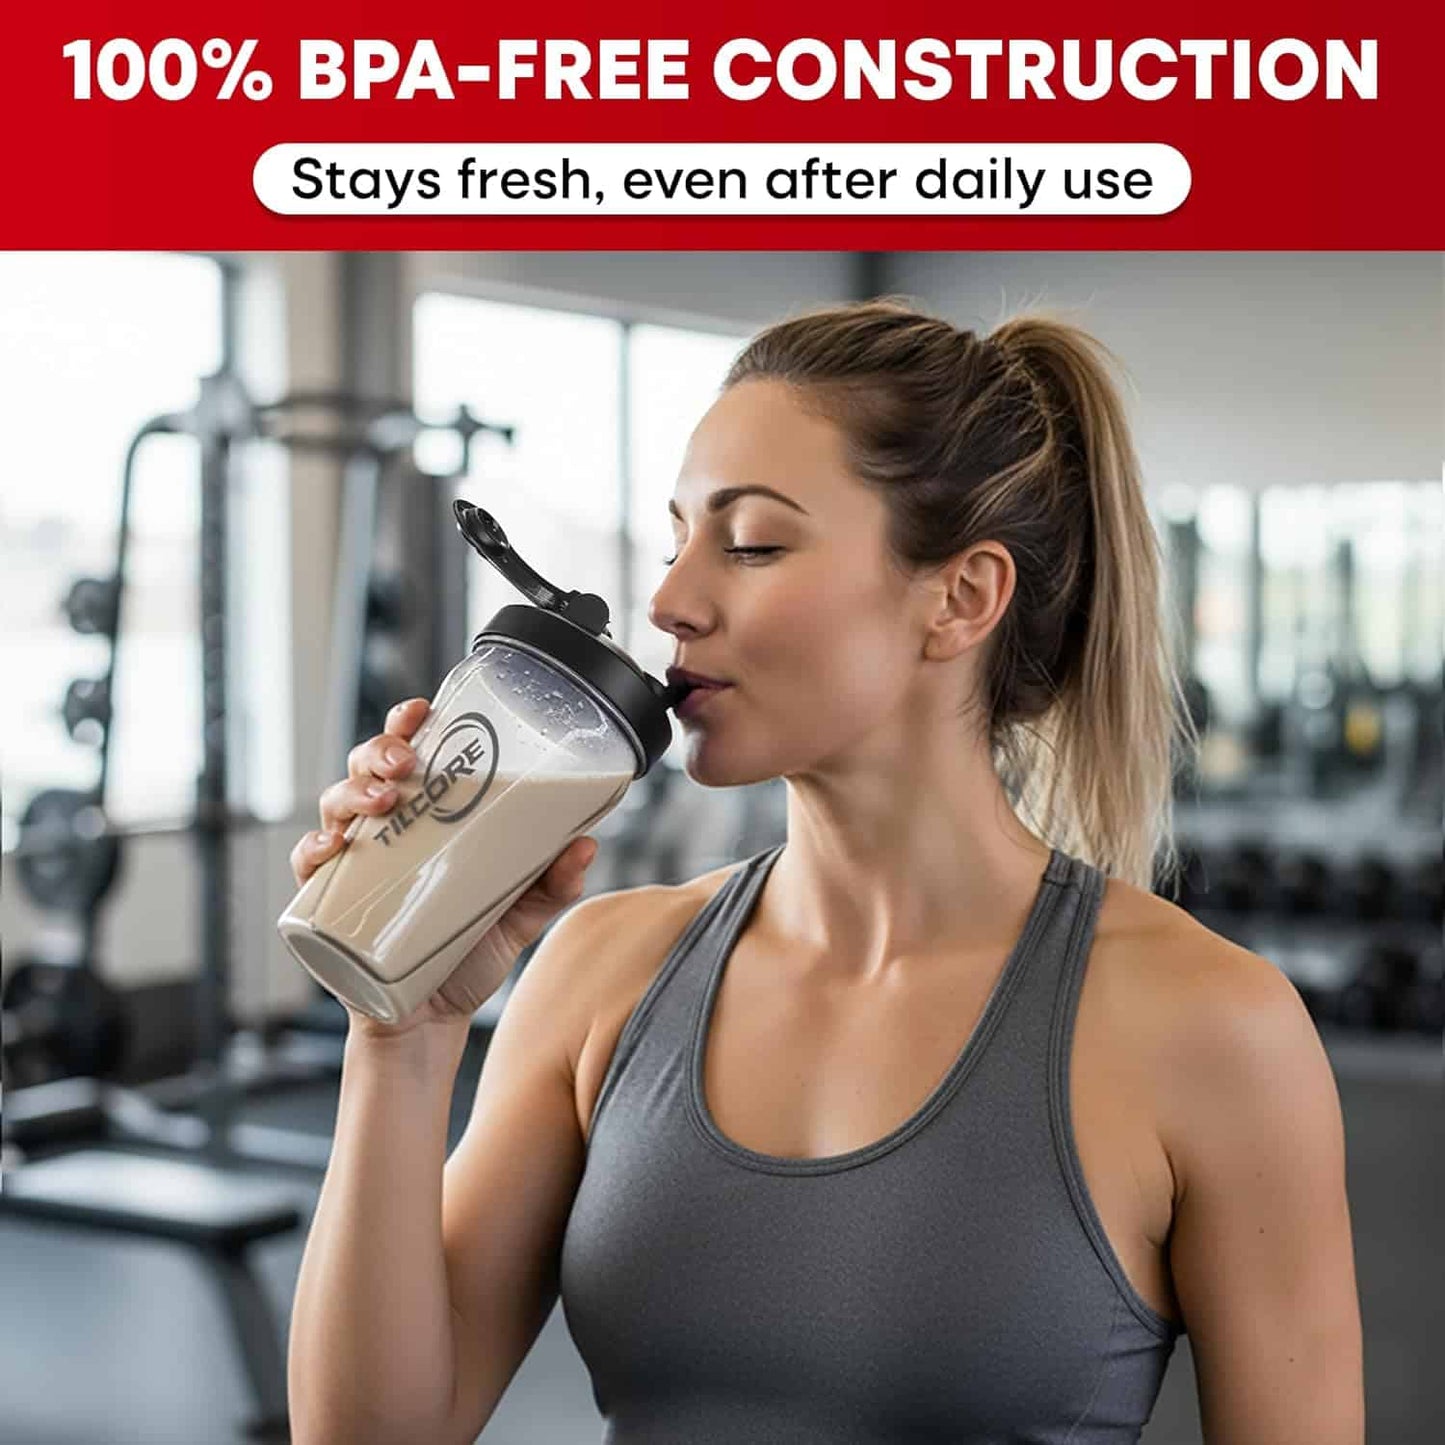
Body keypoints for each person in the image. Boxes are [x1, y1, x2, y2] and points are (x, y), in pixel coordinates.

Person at [286, 300, 1364, 1444]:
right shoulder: (600, 969)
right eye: (676, 541)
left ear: (959, 598)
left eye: (749, 541)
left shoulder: (1210, 1028)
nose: (666, 601)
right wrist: (398, 1030)